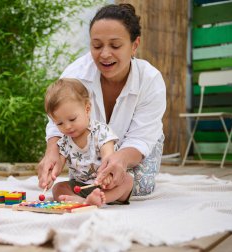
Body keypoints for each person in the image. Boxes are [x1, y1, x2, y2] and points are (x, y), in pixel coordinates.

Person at [38, 3, 166, 197]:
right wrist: (52, 152)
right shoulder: (76, 74)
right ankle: (92, 195)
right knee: (83, 184)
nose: (104, 54)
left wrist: (119, 159)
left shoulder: (150, 80)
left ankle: (101, 196)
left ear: (134, 45)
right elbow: (57, 122)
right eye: (96, 45)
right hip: (91, 153)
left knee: (140, 185)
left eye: (115, 45)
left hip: (134, 150)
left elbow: (141, 139)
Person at [44, 78, 133, 206]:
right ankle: (80, 200)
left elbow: (109, 157)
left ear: (87, 109)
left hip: (106, 184)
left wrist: (107, 175)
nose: (67, 126)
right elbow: (58, 165)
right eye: (59, 123)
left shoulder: (100, 131)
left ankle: (101, 199)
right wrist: (50, 176)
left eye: (72, 119)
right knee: (58, 188)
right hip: (79, 187)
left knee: (127, 181)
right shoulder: (64, 142)